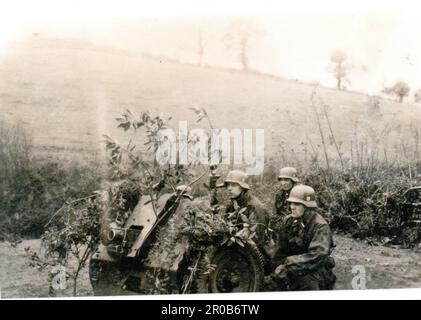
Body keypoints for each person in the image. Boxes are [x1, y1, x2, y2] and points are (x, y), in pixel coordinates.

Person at [269, 185, 336, 291]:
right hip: (294, 266)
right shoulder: (288, 221)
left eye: (297, 204)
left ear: (307, 206)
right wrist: (275, 268)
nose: (292, 207)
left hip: (314, 269)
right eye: (291, 203)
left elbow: (317, 255)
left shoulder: (319, 226)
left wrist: (288, 266)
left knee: (307, 285)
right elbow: (280, 249)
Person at [219, 170, 271, 250]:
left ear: (242, 187)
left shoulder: (255, 207)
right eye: (228, 185)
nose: (229, 188)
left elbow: (258, 239)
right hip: (235, 246)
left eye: (233, 185)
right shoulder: (232, 204)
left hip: (254, 250)